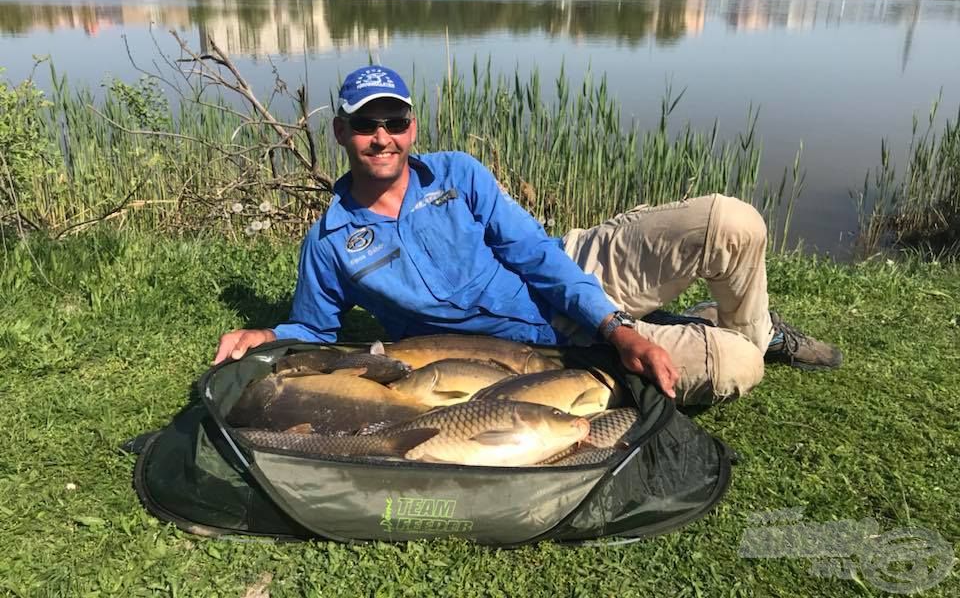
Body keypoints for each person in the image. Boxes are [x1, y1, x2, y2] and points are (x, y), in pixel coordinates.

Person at [214, 65, 842, 405]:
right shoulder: (330, 239)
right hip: (534, 345)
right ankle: (732, 333)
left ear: (412, 126)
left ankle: (737, 323)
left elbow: (536, 253)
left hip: (571, 268)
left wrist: (614, 325)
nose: (382, 136)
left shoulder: (458, 173)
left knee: (732, 222)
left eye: (394, 120)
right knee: (739, 365)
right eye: (365, 124)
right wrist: (267, 334)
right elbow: (316, 330)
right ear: (342, 134)